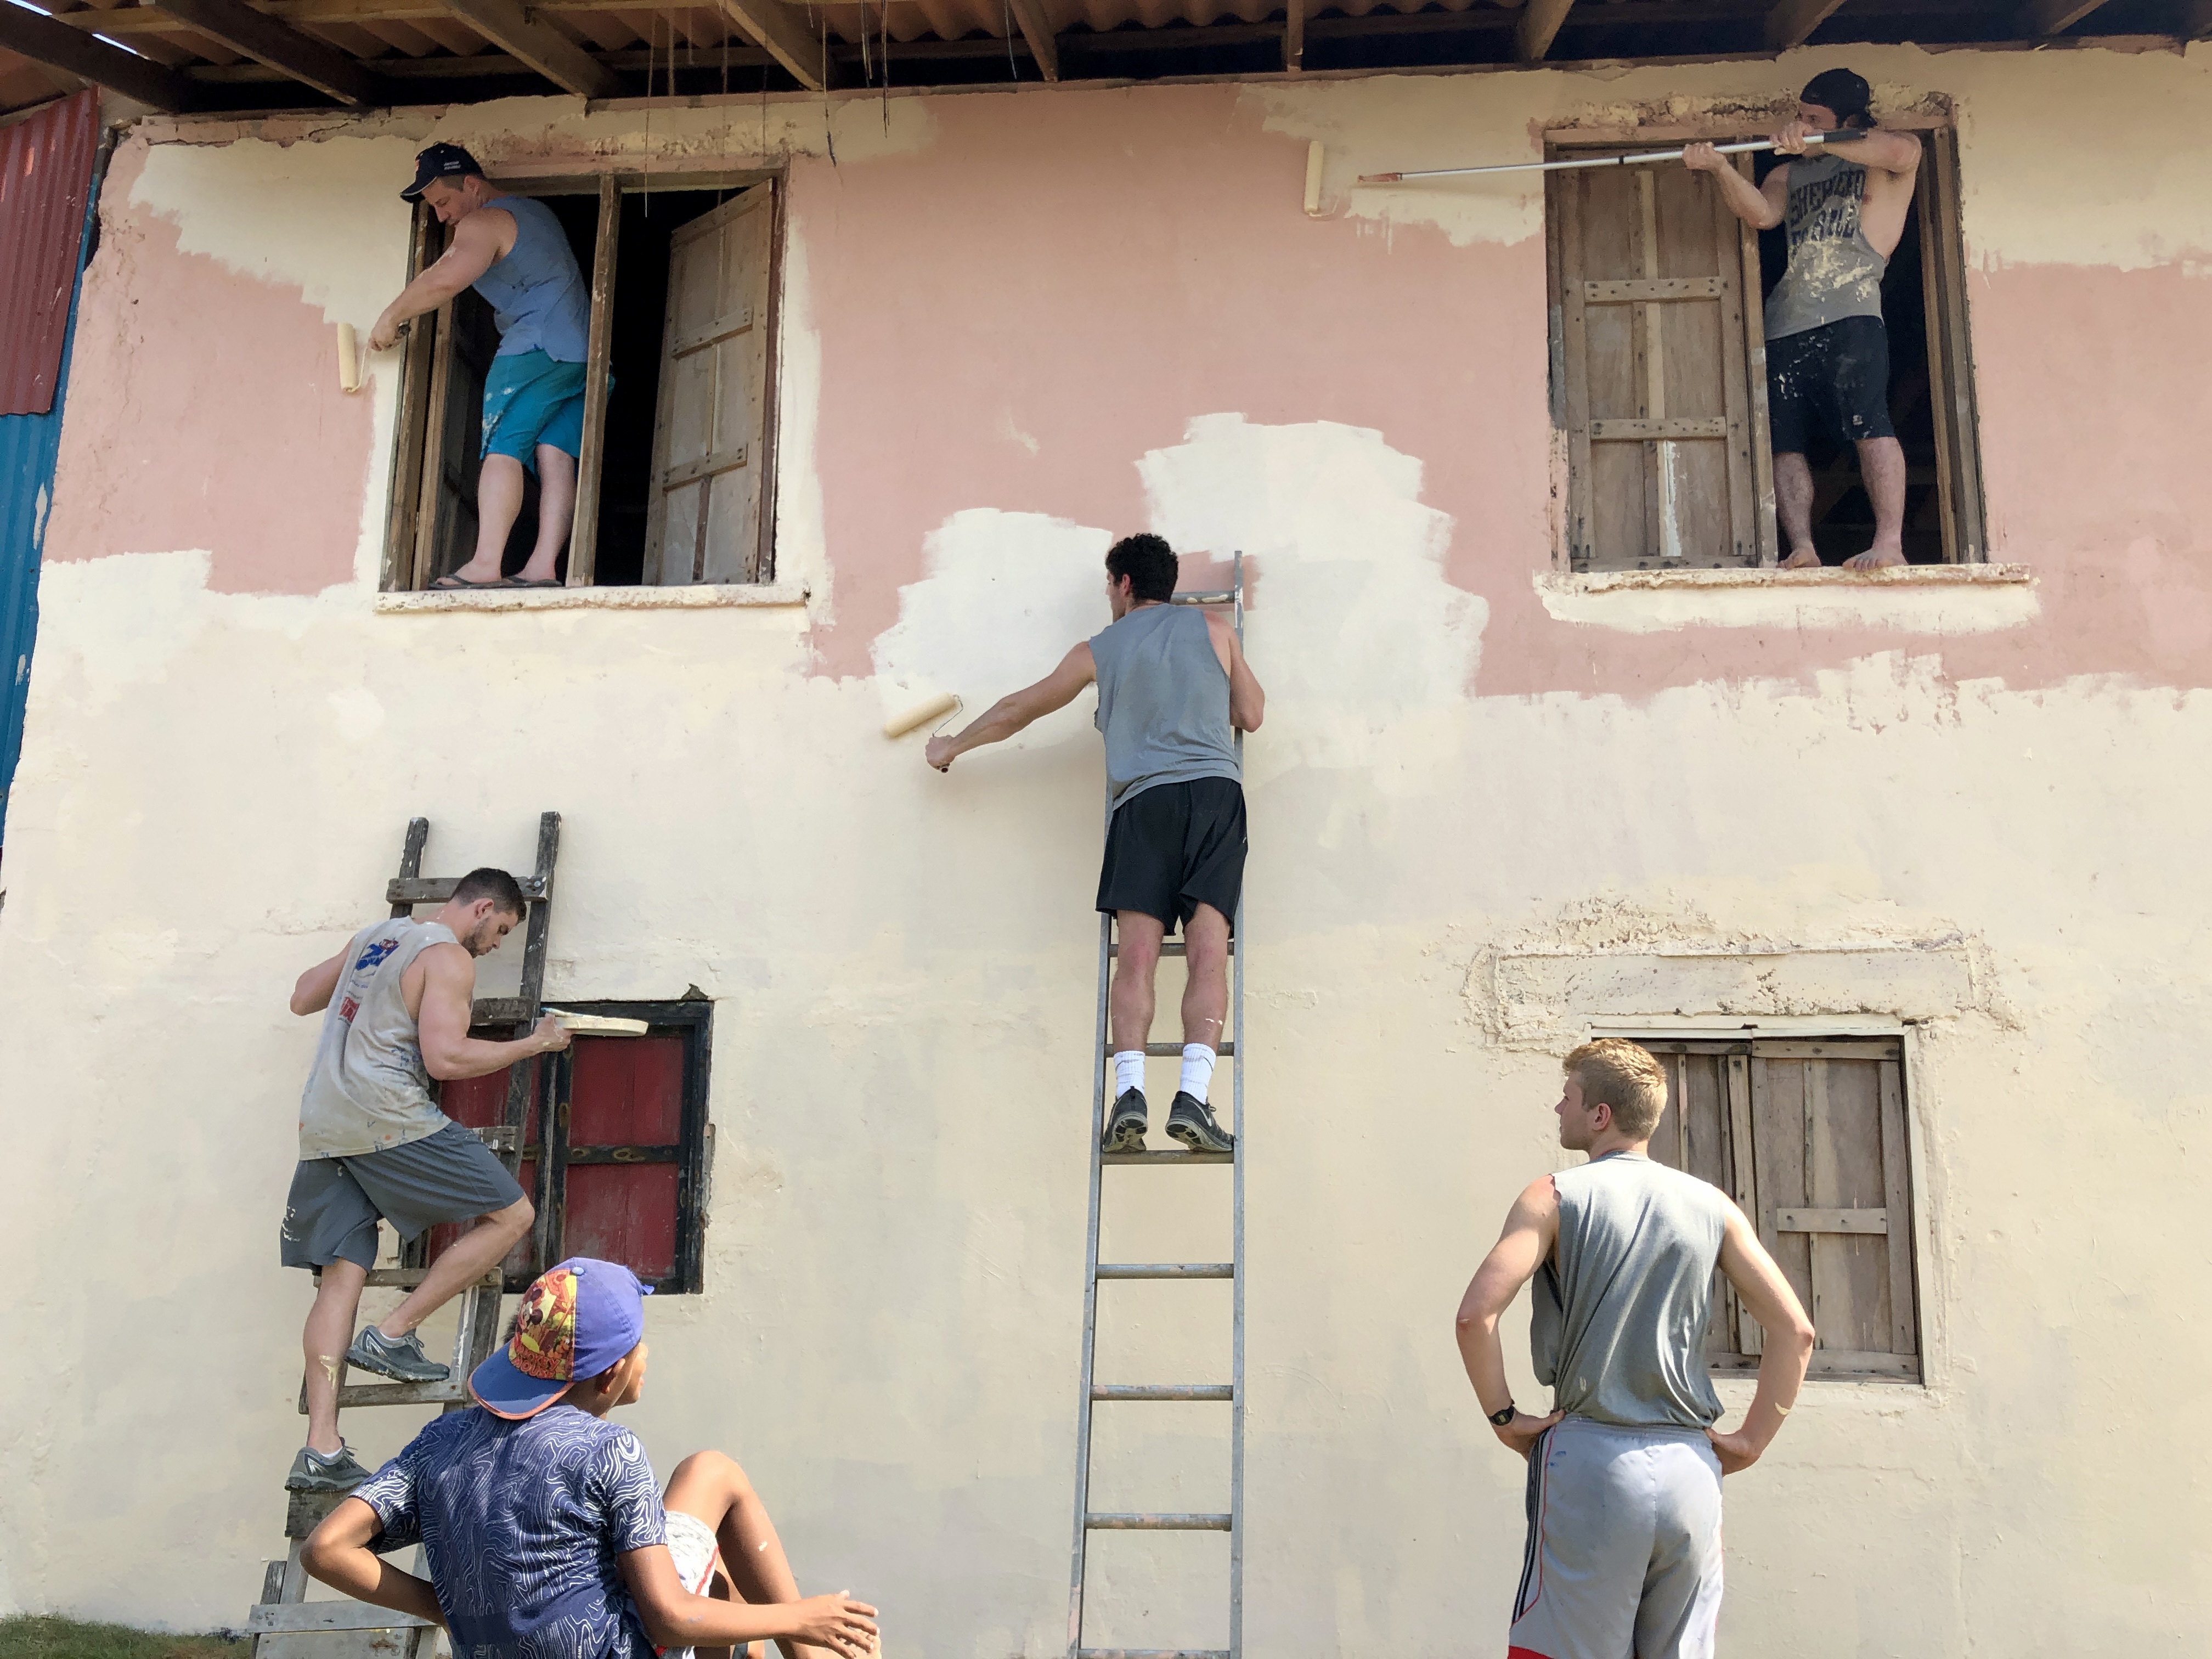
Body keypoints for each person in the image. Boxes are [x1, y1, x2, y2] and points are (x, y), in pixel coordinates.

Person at [303, 1256, 881, 1659]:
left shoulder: (440, 1441)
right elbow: (668, 1619)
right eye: (639, 1345)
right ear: (612, 1374)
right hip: (621, 1649)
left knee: (720, 1578)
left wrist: (455, 1611)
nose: (646, 1355)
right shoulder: (610, 1451)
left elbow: (326, 1549)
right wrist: (803, 1617)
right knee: (712, 1473)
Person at [1454, 1039, 1816, 1659]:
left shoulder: (1552, 1195)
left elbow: (1475, 1316)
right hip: (1690, 1470)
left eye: (1568, 1096)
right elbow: (1796, 1332)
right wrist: (1752, 1441)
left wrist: (1506, 1419)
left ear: (1600, 1115)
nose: (1557, 1107)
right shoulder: (1712, 1205)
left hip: (1591, 1460)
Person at [925, 533, 1264, 1154]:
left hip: (1142, 805)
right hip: (1215, 795)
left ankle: (1129, 1094)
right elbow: (1252, 712)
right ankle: (1192, 1096)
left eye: (1109, 587)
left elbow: (1017, 708)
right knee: (1208, 951)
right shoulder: (1216, 630)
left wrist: (951, 746)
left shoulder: (1100, 649)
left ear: (1124, 584)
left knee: (1135, 955)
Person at [280, 866, 571, 1493]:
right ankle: (392, 1333)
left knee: (340, 1280)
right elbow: (446, 1058)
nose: (495, 945)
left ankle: (321, 1450)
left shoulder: (377, 937)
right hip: (387, 1117)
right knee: (513, 1215)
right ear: (484, 907)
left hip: (324, 1123)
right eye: (500, 930)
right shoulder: (448, 958)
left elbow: (304, 995)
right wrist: (535, 1045)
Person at [1686, 69, 1923, 569]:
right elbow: (1762, 216)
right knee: (1785, 439)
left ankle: (1889, 544)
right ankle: (1803, 548)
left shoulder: (1893, 155)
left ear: (1850, 120)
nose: (1802, 125)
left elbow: (1897, 151)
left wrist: (1824, 140)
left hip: (1854, 314)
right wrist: (1720, 169)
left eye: (1815, 118)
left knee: (1871, 425)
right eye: (1802, 116)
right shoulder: (1789, 173)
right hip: (1787, 321)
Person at [368, 144, 592, 589]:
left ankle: (486, 565)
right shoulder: (536, 214)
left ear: (472, 185)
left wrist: (391, 316)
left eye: (444, 202)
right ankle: (542, 569)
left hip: (535, 348)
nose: (441, 217)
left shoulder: (484, 219)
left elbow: (448, 277)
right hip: (582, 352)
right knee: (555, 455)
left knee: (503, 448)